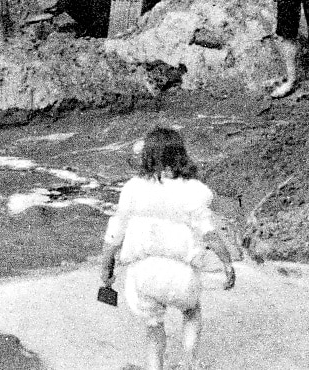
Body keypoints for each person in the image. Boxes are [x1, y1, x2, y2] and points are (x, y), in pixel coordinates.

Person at [99, 126, 239, 370]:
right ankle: (190, 361)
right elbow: (210, 234)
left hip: (143, 274)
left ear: (147, 156)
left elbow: (114, 236)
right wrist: (227, 264)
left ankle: (155, 367)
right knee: (191, 311)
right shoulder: (193, 190)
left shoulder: (133, 188)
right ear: (180, 156)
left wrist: (106, 270)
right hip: (182, 275)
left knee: (154, 327)